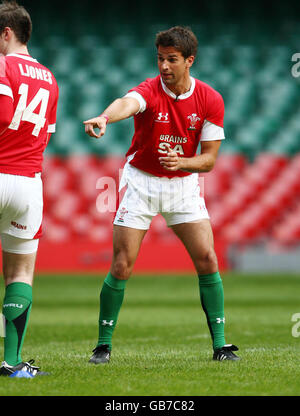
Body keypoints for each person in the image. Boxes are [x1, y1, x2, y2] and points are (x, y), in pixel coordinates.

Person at [84, 26, 239, 363]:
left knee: (208, 259)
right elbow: (128, 103)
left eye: (172, 60)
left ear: (189, 61)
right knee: (123, 264)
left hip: (183, 186)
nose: (164, 66)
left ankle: (221, 346)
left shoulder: (211, 99)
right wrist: (105, 117)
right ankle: (103, 346)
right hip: (141, 183)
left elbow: (210, 160)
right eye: (160, 59)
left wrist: (182, 161)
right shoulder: (150, 90)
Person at [0, 1, 59, 377]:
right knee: (20, 272)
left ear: (6, 33)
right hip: (29, 184)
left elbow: (4, 116)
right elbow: (46, 136)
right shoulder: (51, 78)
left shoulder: (3, 66)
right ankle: (12, 361)